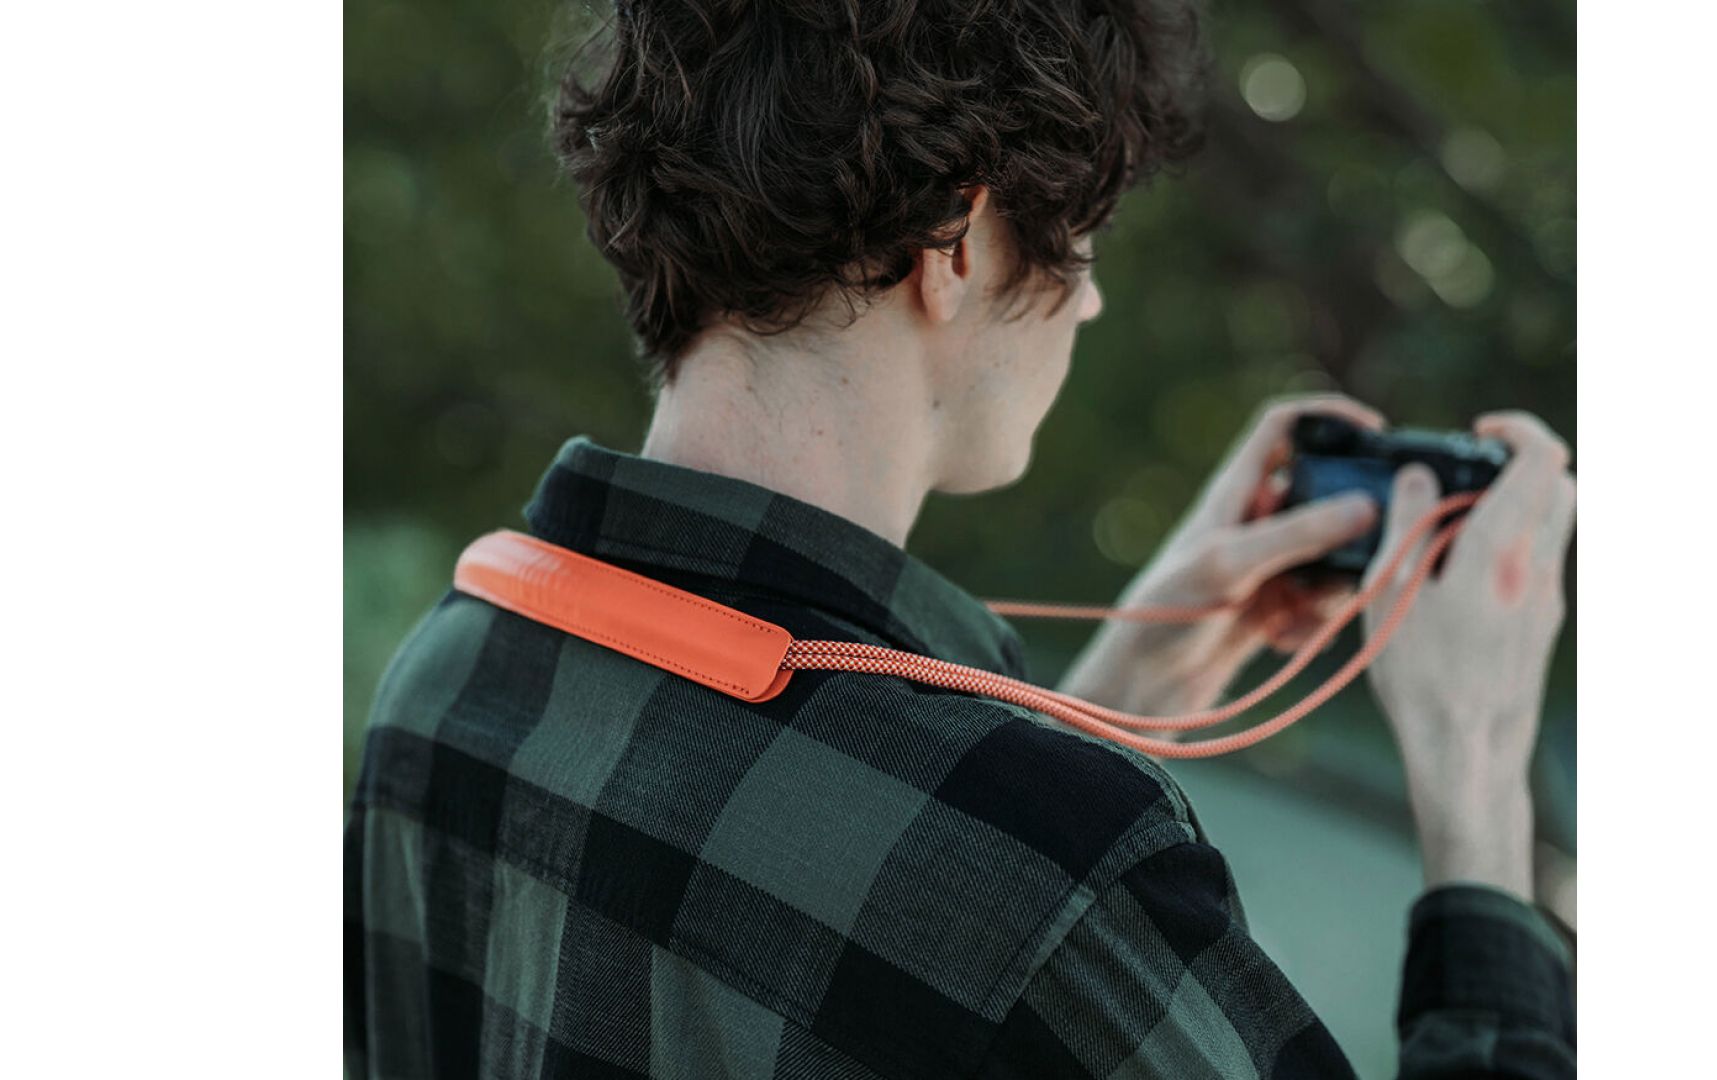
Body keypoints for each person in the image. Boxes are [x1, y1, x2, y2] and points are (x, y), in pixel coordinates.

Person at [345, 2, 1577, 1076]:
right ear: (958, 243)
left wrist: (1125, 691)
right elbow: (969, 891)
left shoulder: (448, 679)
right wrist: (1476, 786)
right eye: (1083, 240)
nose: (1090, 298)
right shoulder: (1065, 878)